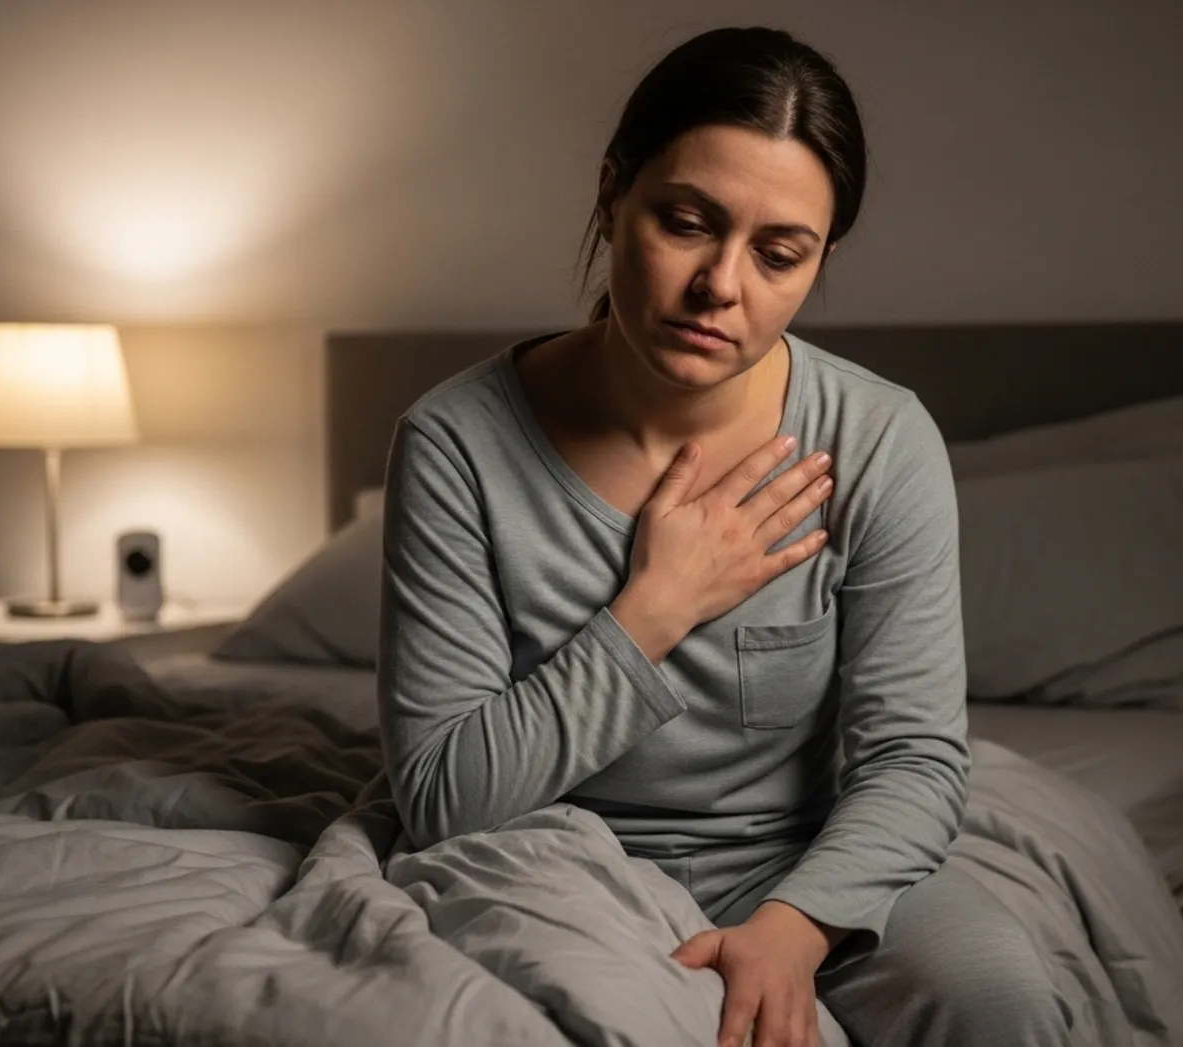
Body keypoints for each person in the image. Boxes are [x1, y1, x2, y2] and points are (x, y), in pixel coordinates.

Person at [378, 25, 1064, 1047]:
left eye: (779, 254)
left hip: (803, 858)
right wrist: (655, 609)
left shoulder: (876, 440)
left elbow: (913, 759)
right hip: (549, 861)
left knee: (996, 996)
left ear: (820, 258)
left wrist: (794, 925)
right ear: (614, 195)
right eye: (688, 223)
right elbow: (440, 797)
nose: (722, 287)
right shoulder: (457, 441)